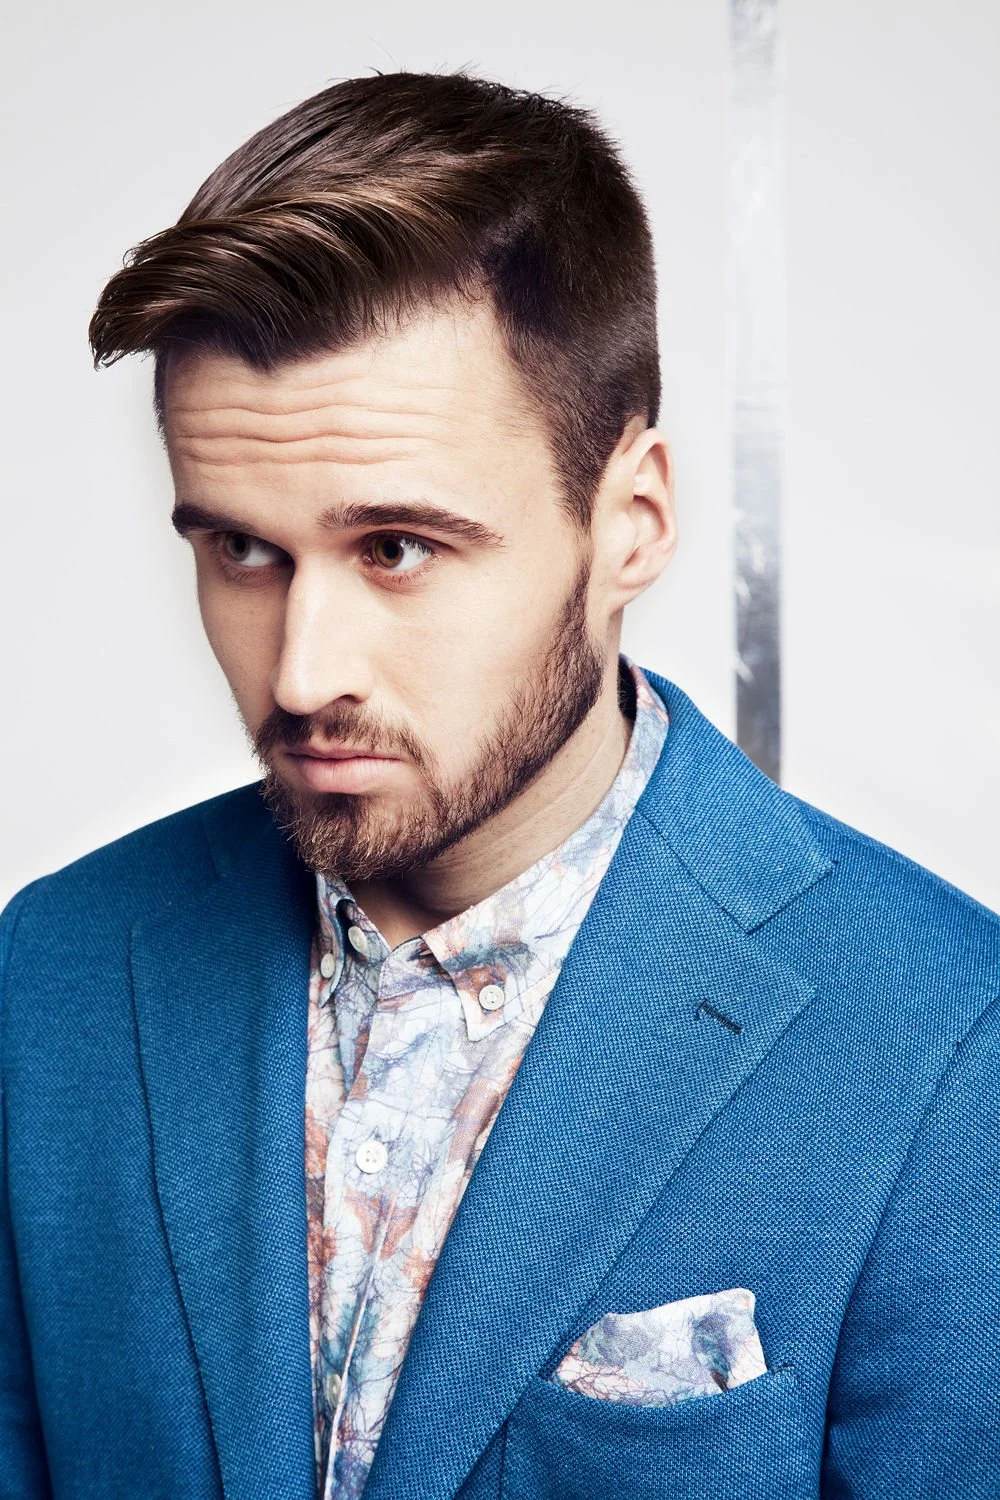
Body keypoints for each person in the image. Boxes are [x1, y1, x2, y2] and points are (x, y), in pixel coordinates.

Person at [1, 69, 997, 1500]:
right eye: (240, 549)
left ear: (630, 521)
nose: (301, 673)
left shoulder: (949, 1043)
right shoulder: (57, 969)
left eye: (398, 548)